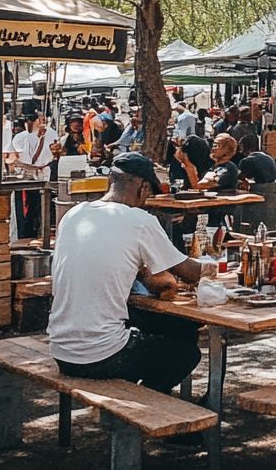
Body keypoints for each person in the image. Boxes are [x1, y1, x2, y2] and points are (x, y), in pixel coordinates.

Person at [48, 152, 205, 393]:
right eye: (149, 193)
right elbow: (191, 273)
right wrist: (216, 268)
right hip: (100, 355)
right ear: (142, 187)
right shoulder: (139, 220)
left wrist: (143, 273)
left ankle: (147, 403)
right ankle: (154, 405)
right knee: (186, 353)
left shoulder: (74, 214)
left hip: (61, 349)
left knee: (174, 330)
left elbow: (117, 267)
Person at [10, 111, 58, 238]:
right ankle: (26, 234)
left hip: (44, 174)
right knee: (27, 208)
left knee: (43, 206)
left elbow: (54, 152)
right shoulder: (20, 137)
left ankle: (41, 233)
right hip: (26, 174)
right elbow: (16, 156)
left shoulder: (52, 133)